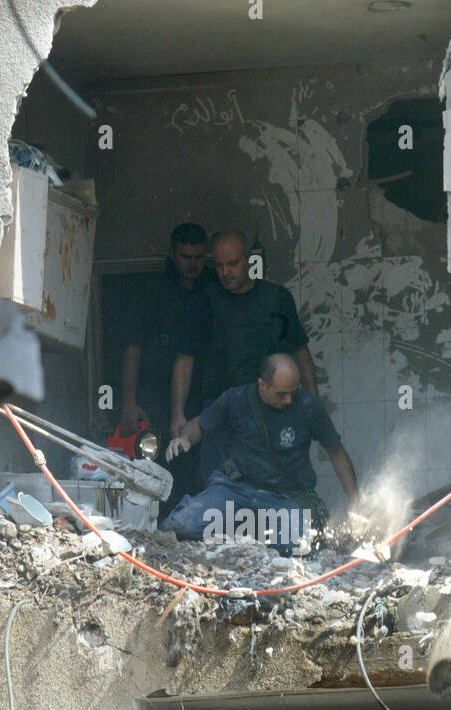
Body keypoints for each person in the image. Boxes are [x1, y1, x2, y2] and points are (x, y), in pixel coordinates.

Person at [161, 353, 357, 553]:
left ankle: (253, 534)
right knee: (182, 525)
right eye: (281, 394)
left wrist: (354, 499)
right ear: (262, 385)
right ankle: (242, 530)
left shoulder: (308, 406)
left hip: (284, 497)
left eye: (293, 391)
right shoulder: (236, 398)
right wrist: (184, 438)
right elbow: (201, 425)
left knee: (300, 546)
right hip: (235, 490)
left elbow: (336, 452)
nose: (289, 399)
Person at [169, 229, 319, 478]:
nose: (226, 272)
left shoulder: (276, 298)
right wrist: (177, 414)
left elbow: (301, 351)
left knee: (274, 484)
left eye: (233, 264)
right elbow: (185, 361)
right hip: (220, 411)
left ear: (249, 261)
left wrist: (313, 402)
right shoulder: (202, 302)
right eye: (219, 266)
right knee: (217, 487)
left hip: (271, 407)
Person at [116, 222, 211, 505]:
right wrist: (128, 402)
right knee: (154, 465)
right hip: (154, 395)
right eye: (185, 257)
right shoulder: (152, 291)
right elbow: (132, 350)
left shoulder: (213, 289)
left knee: (201, 469)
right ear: (172, 254)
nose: (193, 264)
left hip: (203, 395)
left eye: (198, 257)